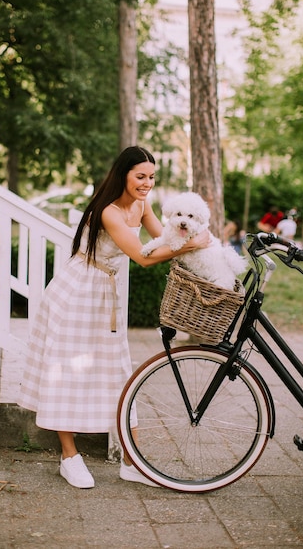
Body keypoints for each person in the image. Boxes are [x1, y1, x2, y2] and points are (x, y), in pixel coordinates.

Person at [17, 146, 210, 489]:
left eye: (151, 176)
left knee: (121, 373)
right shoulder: (108, 211)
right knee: (67, 370)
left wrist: (197, 240)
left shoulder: (142, 203)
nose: (147, 183)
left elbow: (161, 239)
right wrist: (191, 245)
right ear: (123, 174)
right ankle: (69, 457)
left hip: (106, 294)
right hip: (77, 292)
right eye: (140, 176)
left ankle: (132, 461)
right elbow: (144, 257)